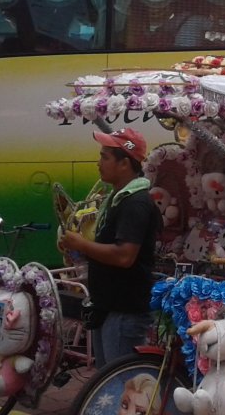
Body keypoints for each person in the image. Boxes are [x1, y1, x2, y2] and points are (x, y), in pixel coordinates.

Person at [61, 128, 161, 368]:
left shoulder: (135, 203)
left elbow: (125, 255)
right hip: (108, 307)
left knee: (119, 383)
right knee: (105, 379)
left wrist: (82, 244)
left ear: (124, 163)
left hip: (124, 311)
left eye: (104, 157)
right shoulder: (118, 198)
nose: (99, 163)